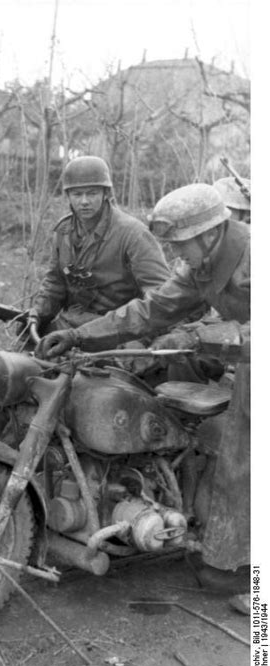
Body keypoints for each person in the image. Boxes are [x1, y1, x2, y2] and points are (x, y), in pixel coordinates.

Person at [37, 183, 250, 612]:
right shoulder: (203, 265)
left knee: (243, 461)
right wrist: (80, 334)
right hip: (245, 355)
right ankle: (195, 520)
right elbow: (150, 308)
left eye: (180, 244)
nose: (175, 254)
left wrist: (217, 334)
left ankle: (245, 570)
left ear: (210, 234)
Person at [27, 156, 170, 336]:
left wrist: (142, 333)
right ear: (68, 197)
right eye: (77, 194)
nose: (84, 201)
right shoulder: (63, 231)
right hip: (72, 324)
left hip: (118, 329)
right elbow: (55, 283)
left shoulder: (133, 234)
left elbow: (160, 294)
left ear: (106, 194)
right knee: (19, 354)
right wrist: (38, 313)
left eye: (92, 193)